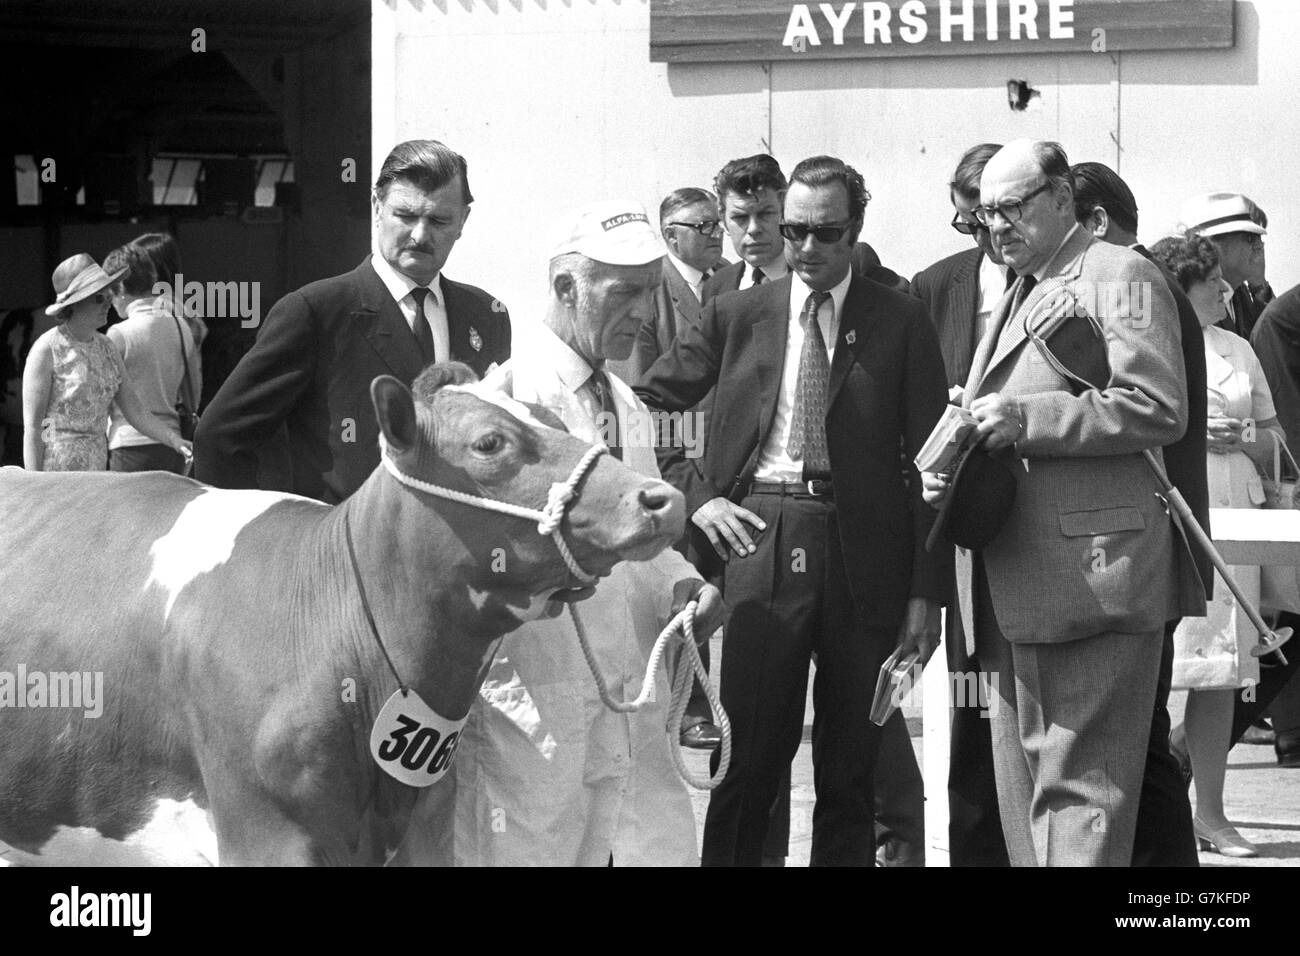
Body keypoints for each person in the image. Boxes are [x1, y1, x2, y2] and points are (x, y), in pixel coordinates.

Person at [637, 155, 949, 866]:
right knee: (748, 760)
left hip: (863, 553)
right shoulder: (737, 313)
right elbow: (649, 405)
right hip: (760, 540)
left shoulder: (898, 320)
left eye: (825, 233)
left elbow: (934, 468)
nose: (805, 247)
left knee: (851, 770)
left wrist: (925, 593)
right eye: (795, 229)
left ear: (857, 229)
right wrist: (699, 496)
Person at [392, 201, 725, 866]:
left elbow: (641, 542)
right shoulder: (503, 404)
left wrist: (682, 579)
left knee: (647, 847)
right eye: (624, 293)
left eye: (650, 294)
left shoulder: (626, 404)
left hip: (625, 683)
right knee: (529, 849)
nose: (642, 313)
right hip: (539, 687)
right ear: (567, 287)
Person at [923, 139, 1202, 866]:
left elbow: (1157, 407)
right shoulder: (1023, 285)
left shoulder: (1120, 272)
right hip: (1016, 580)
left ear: (1060, 198)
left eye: (1013, 208)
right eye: (986, 215)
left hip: (1091, 579)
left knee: (1082, 810)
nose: (998, 228)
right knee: (1028, 811)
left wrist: (1025, 421)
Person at [194, 139, 510, 503]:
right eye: (405, 216)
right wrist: (274, 538)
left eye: (439, 220)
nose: (421, 235)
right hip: (343, 550)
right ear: (377, 207)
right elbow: (219, 438)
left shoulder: (487, 316)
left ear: (462, 222)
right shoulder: (315, 311)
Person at [1071, 160, 1211, 867]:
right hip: (1137, 548)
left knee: (1136, 751)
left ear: (1093, 223)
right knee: (1137, 747)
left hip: (1135, 549)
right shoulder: (1140, 282)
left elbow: (1146, 413)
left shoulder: (1128, 283)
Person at [1150, 234, 1284, 858]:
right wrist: (1200, 433)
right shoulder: (1150, 345)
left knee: (1221, 674)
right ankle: (1151, 815)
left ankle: (1211, 812)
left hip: (1236, 514)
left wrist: (1246, 432)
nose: (1227, 291)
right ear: (1181, 286)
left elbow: (1273, 433)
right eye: (1212, 281)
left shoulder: (1237, 348)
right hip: (1174, 513)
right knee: (1156, 673)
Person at [909, 142, 1010, 867]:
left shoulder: (1063, 284)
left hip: (1038, 524)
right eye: (968, 222)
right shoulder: (935, 287)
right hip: (959, 525)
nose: (985, 235)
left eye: (993, 218)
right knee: (970, 709)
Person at [612, 186, 728, 751]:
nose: (716, 234)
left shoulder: (733, 284)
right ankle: (690, 706)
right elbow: (644, 389)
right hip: (672, 460)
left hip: (730, 460)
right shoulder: (654, 289)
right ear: (671, 232)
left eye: (716, 224)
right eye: (702, 226)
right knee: (683, 580)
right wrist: (678, 460)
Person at [22, 254, 192, 472]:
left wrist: (174, 440)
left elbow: (136, 411)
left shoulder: (108, 347)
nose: (109, 302)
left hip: (98, 475)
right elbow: (35, 427)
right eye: (99, 298)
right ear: (74, 304)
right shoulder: (46, 349)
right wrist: (35, 484)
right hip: (57, 477)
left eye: (110, 294)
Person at [101, 243, 200, 475]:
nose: (110, 301)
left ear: (121, 287)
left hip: (129, 445)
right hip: (174, 445)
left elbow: (102, 399)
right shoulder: (180, 325)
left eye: (110, 292)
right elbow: (192, 396)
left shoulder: (118, 334)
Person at [1180, 192, 1272, 340]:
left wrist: (1259, 286)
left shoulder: (1240, 294)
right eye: (1250, 238)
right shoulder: (1193, 297)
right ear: (1211, 244)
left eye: (1258, 238)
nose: (1258, 246)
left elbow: (1270, 342)